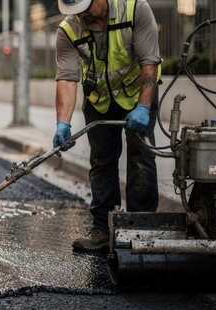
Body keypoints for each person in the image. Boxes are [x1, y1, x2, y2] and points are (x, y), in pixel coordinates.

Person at [53, 0, 160, 251]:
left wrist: (144, 107)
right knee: (101, 161)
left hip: (137, 94)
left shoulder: (135, 9)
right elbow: (67, 79)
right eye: (75, 12)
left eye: (85, 8)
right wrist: (62, 123)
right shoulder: (68, 31)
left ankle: (141, 227)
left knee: (140, 156)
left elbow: (149, 61)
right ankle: (103, 228)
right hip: (99, 100)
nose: (82, 16)